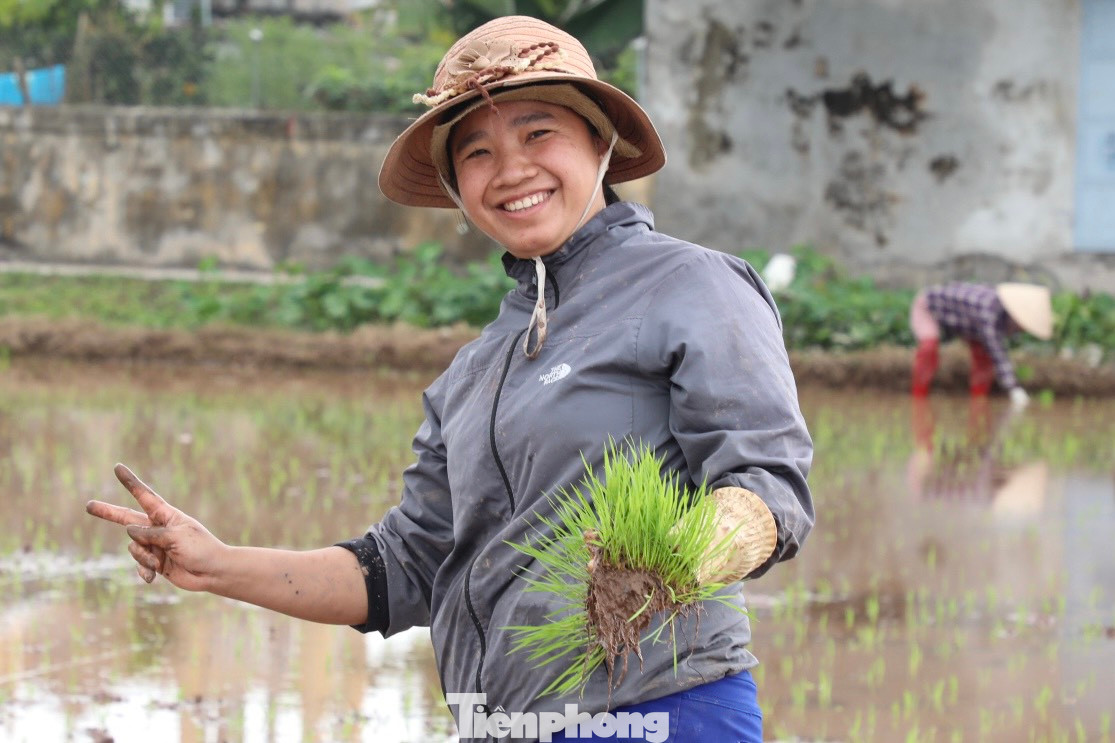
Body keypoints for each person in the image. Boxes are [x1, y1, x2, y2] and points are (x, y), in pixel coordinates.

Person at [86, 16, 814, 743]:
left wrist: (667, 564)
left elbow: (765, 486)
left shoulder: (691, 284)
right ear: (457, 189)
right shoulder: (475, 371)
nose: (511, 169)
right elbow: (406, 566)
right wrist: (219, 564)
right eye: (477, 152)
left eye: (538, 134)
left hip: (658, 712)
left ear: (600, 144)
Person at [909, 281, 1053, 408]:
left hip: (966, 322)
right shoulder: (989, 310)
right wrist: (1014, 389)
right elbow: (998, 352)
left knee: (984, 358)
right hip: (929, 308)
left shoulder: (1003, 314)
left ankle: (979, 403)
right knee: (929, 346)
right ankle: (919, 399)